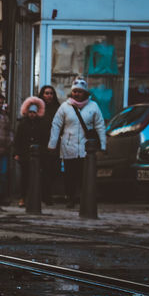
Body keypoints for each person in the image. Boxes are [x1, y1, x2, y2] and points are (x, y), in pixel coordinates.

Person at [48, 78, 107, 207]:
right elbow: (56, 124)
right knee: (70, 174)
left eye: (80, 92)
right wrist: (52, 144)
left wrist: (102, 145)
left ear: (85, 93)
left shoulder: (93, 106)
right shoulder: (65, 107)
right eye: (75, 92)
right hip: (69, 146)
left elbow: (100, 125)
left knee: (84, 174)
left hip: (87, 148)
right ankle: (70, 198)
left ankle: (84, 197)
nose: (77, 94)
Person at [14, 96, 52, 206]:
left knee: (39, 176)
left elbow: (45, 138)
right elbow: (18, 140)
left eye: (34, 112)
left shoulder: (42, 124)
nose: (32, 114)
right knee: (25, 177)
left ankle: (39, 197)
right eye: (30, 112)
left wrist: (45, 151)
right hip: (25, 154)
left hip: (39, 154)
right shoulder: (22, 124)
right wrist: (17, 153)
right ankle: (23, 197)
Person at [38, 85, 63, 201]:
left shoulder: (58, 108)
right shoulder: (38, 107)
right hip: (41, 143)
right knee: (44, 169)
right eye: (46, 93)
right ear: (42, 95)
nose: (49, 96)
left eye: (51, 93)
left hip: (55, 143)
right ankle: (44, 195)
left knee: (54, 169)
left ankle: (47, 193)